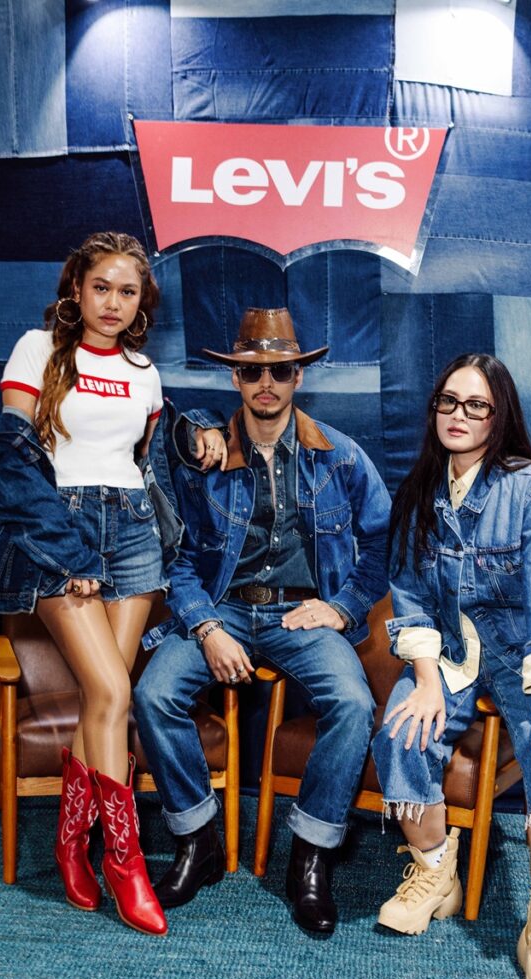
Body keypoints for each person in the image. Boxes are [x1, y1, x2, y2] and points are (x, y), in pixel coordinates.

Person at [0, 232, 226, 936]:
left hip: (133, 532)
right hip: (62, 530)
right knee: (113, 692)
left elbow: (151, 457)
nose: (113, 302)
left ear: (142, 303)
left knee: (100, 699)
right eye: (101, 287)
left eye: (127, 291)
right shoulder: (39, 350)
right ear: (76, 290)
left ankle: (70, 842)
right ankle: (125, 860)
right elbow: (10, 459)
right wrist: (66, 553)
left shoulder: (143, 371)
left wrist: (199, 428)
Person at [132, 306, 391, 935]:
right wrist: (206, 627)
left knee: (353, 703)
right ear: (236, 379)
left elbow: (383, 542)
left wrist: (342, 607)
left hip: (302, 614)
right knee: (153, 693)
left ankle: (311, 856)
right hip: (222, 607)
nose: (265, 383)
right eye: (252, 372)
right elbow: (180, 559)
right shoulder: (206, 459)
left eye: (279, 371)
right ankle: (197, 841)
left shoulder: (339, 456)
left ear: (299, 376)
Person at [371, 353, 531, 979]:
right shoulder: (418, 492)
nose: (458, 415)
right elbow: (410, 599)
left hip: (525, 658)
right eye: (447, 401)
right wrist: (424, 679)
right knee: (400, 731)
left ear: (499, 416)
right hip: (448, 654)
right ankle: (436, 871)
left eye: (475, 405)